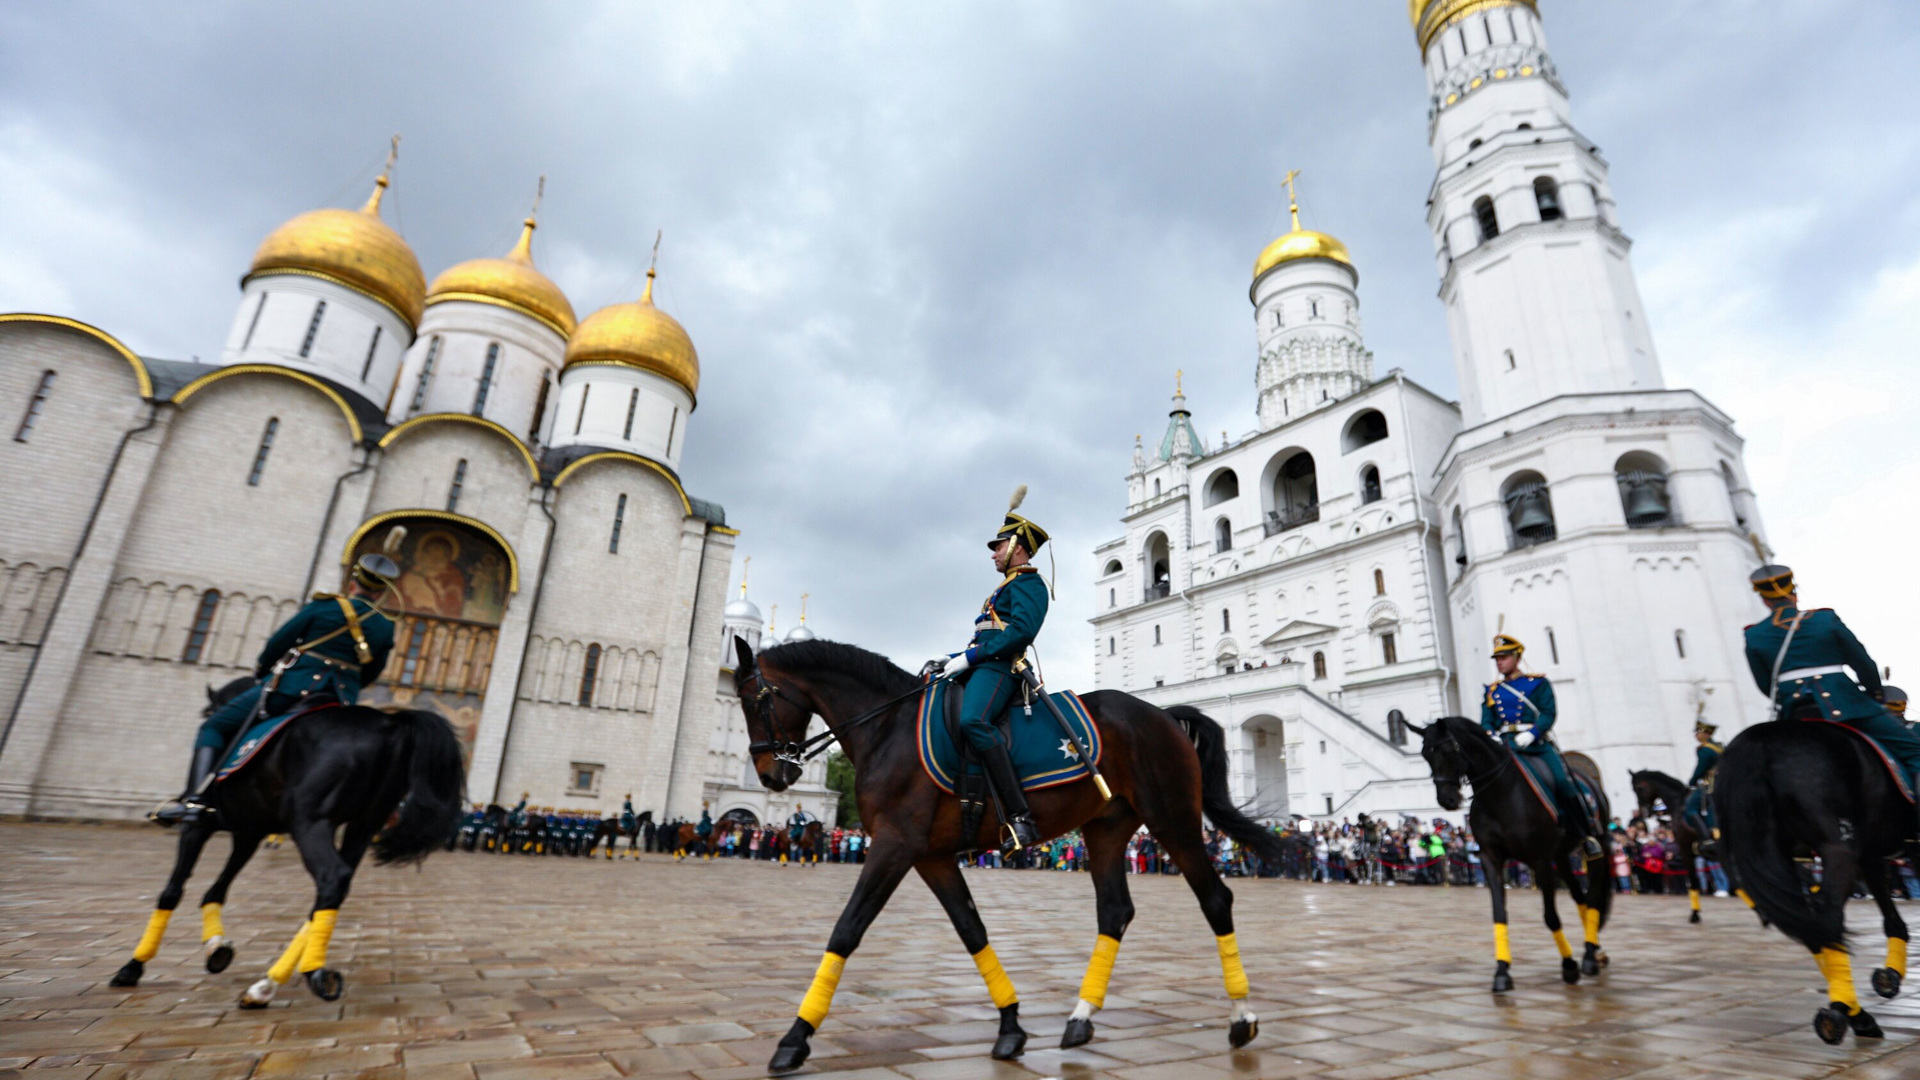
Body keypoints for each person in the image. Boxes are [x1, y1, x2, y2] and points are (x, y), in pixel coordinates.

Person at [153, 551, 398, 825]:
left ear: (353, 584)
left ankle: (193, 801)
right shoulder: (385, 626)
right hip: (340, 700)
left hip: (292, 690)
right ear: (380, 593)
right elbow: (373, 672)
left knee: (213, 726)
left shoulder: (324, 607)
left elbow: (278, 643)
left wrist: (263, 670)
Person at [1744, 564, 1920, 827]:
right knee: (1915, 751)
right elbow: (1863, 663)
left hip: (1794, 713)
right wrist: (1873, 694)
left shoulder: (1754, 634)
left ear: (1764, 599)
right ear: (1794, 591)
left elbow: (1765, 685)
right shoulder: (1824, 620)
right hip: (1847, 706)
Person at [932, 487, 1051, 853]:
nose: (993, 555)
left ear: (1017, 546)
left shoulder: (1029, 583)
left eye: (997, 548)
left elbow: (1021, 632)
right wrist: (953, 657)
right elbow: (984, 635)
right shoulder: (1003, 589)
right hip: (986, 660)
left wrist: (971, 658)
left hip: (1002, 667)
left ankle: (1020, 817)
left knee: (974, 721)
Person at [1479, 634, 1604, 857]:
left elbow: (1548, 713)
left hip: (1536, 745)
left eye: (1504, 657)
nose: (1499, 662)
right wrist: (1491, 734)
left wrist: (1533, 732)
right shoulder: (1492, 690)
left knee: (1562, 782)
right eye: (1497, 658)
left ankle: (1586, 834)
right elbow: (1487, 719)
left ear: (1517, 658)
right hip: (1506, 745)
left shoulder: (1538, 684)